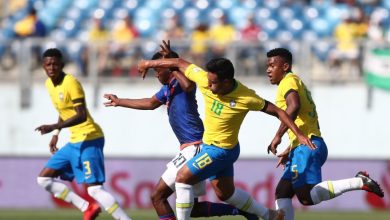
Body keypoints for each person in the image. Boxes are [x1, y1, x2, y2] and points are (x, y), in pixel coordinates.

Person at [137, 44, 318, 220]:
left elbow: (279, 111)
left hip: (219, 151)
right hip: (222, 148)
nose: (208, 85)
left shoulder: (246, 97)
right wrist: (148, 63)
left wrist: (297, 134)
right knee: (226, 194)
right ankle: (269, 215)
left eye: (214, 82)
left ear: (226, 81)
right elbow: (180, 63)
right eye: (208, 80)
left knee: (182, 178)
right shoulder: (205, 79)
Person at [103, 41, 257, 220]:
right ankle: (241, 210)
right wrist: (119, 101)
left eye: (158, 70)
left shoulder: (181, 81)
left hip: (196, 147)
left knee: (157, 196)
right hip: (189, 147)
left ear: (168, 68)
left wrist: (173, 64)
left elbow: (189, 86)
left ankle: (244, 210)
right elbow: (151, 103)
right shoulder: (168, 88)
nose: (156, 74)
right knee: (193, 209)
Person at [265, 48, 384, 220]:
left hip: (307, 148)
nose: (268, 70)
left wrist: (278, 136)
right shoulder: (296, 82)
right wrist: (291, 147)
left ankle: (359, 182)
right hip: (306, 145)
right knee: (282, 192)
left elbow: (294, 107)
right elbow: (307, 122)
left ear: (284, 66)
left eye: (272, 65)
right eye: (267, 66)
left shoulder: (288, 81)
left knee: (306, 197)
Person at [35, 48, 131, 220]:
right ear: (43, 66)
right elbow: (64, 110)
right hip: (74, 142)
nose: (51, 67)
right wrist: (56, 132)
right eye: (48, 64)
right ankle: (86, 207)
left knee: (94, 189)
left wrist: (53, 126)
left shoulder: (71, 82)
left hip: (90, 138)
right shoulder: (49, 84)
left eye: (55, 64)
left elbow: (81, 115)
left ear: (62, 65)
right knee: (43, 179)